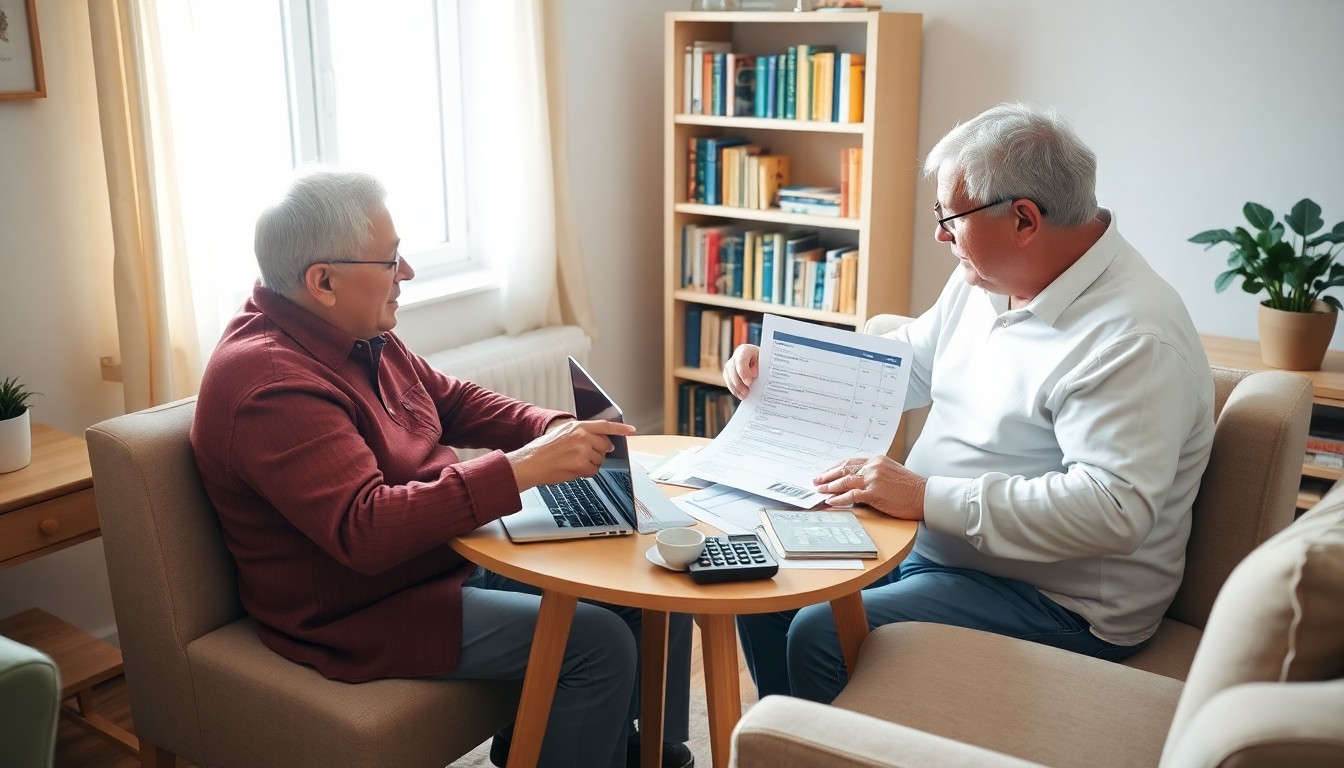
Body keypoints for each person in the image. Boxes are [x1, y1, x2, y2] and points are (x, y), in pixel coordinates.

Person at [190, 169, 695, 768]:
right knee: (596, 641)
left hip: (439, 554)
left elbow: (449, 400)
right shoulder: (272, 385)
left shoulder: (350, 331)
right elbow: (366, 530)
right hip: (360, 608)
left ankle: (623, 751)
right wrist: (521, 469)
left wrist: (547, 428)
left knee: (653, 580)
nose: (406, 274)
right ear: (322, 281)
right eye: (392, 260)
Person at [722, 103, 1216, 703]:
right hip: (928, 549)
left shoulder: (1133, 337)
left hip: (1059, 600)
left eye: (949, 216)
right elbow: (908, 364)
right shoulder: (987, 278)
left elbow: (1112, 509)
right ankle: (797, 742)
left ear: (1024, 220)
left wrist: (927, 497)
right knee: (754, 579)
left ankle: (825, 744)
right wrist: (783, 371)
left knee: (820, 632)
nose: (940, 234)